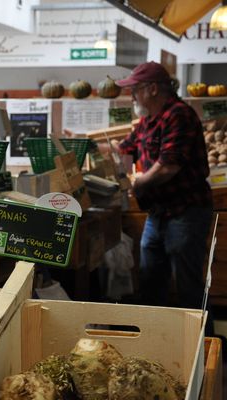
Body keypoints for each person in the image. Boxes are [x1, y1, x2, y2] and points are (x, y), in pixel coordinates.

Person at [114, 61, 214, 331]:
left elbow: (168, 166)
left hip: (186, 212)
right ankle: (155, 343)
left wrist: (136, 184)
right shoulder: (149, 119)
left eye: (135, 89)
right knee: (150, 281)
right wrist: (92, 149)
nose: (132, 95)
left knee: (188, 287)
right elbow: (124, 148)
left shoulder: (179, 115)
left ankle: (202, 350)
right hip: (158, 213)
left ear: (153, 89)